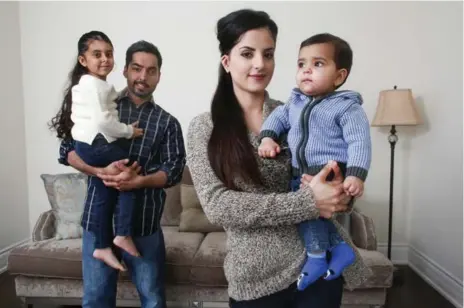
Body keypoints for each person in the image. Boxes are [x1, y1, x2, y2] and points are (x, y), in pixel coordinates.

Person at [186, 9, 372, 308]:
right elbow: (218, 207)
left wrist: (342, 191)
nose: (260, 64)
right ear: (226, 61)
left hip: (320, 264)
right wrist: (309, 202)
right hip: (256, 277)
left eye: (268, 54)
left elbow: (337, 177)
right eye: (247, 53)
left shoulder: (299, 113)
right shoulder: (205, 127)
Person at [55, 39, 186, 308]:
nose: (143, 77)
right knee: (96, 301)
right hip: (98, 224)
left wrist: (139, 181)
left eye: (151, 71)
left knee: (152, 300)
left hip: (144, 225)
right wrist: (98, 170)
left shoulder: (168, 123)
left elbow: (173, 171)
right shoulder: (102, 104)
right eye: (137, 68)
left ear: (159, 75)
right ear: (125, 70)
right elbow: (67, 149)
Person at [257, 33, 372, 290]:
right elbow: (277, 119)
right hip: (301, 170)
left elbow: (359, 141)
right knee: (312, 214)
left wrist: (355, 175)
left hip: (330, 170)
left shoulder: (346, 107)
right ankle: (340, 249)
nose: (306, 70)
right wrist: (267, 138)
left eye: (318, 64)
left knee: (310, 213)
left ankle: (317, 258)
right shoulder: (295, 102)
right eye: (301, 64)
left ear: (339, 76)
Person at [50, 30, 145, 272]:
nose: (105, 59)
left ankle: (103, 246)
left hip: (92, 144)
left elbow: (103, 119)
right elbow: (103, 123)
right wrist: (128, 132)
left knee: (109, 188)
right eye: (97, 54)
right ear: (83, 60)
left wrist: (122, 131)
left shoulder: (95, 86)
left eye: (109, 54)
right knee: (129, 178)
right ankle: (122, 234)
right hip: (93, 146)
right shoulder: (93, 86)